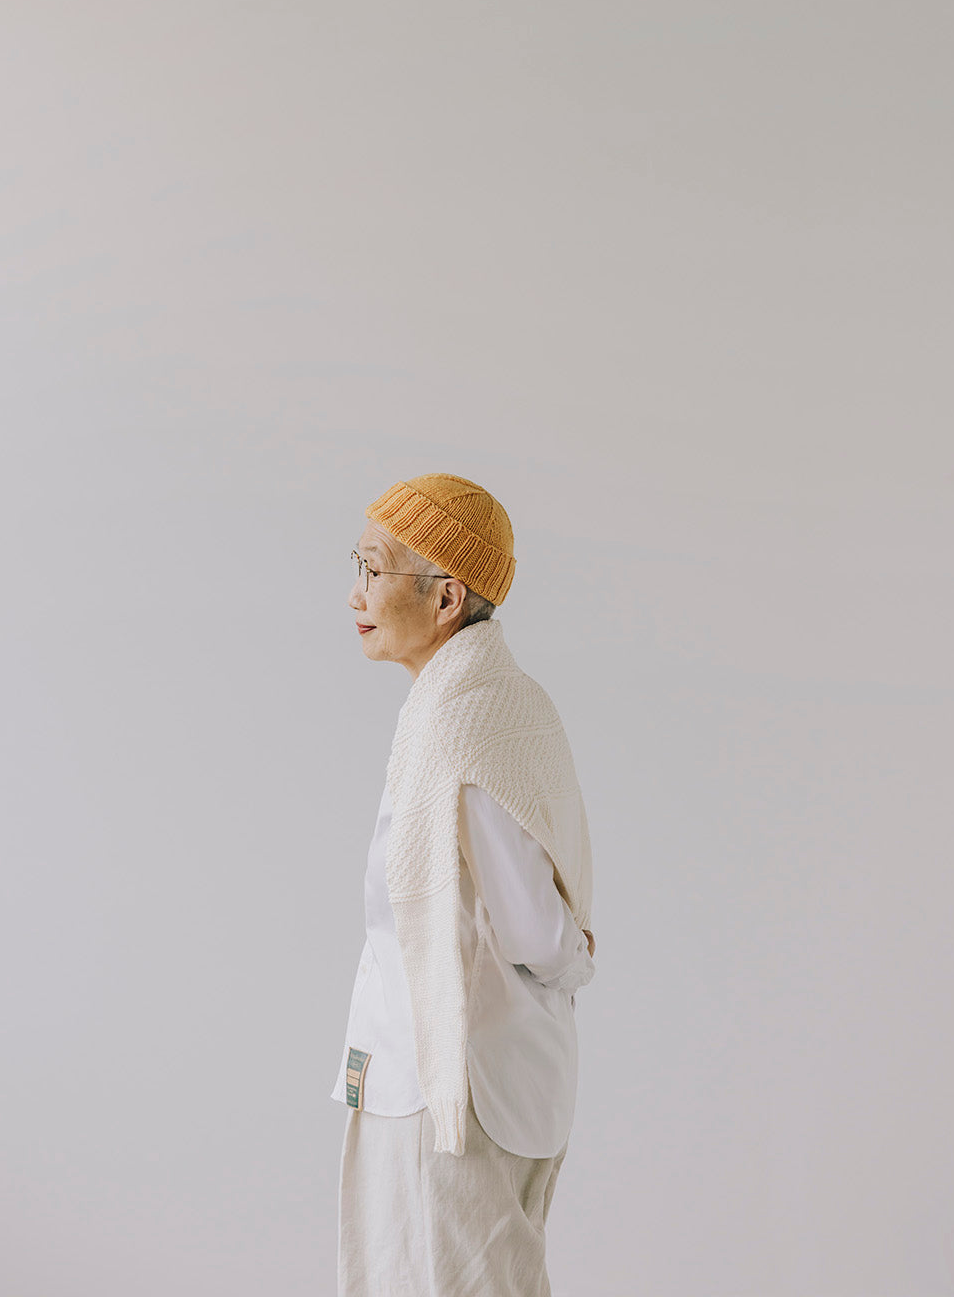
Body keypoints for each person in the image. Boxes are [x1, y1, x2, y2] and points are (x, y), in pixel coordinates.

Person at [332, 472, 596, 1297]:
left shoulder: (460, 723)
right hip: (464, 1078)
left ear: (446, 597)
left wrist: (572, 963)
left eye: (374, 569)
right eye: (357, 566)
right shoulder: (491, 702)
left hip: (452, 1089)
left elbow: (534, 929)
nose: (355, 594)